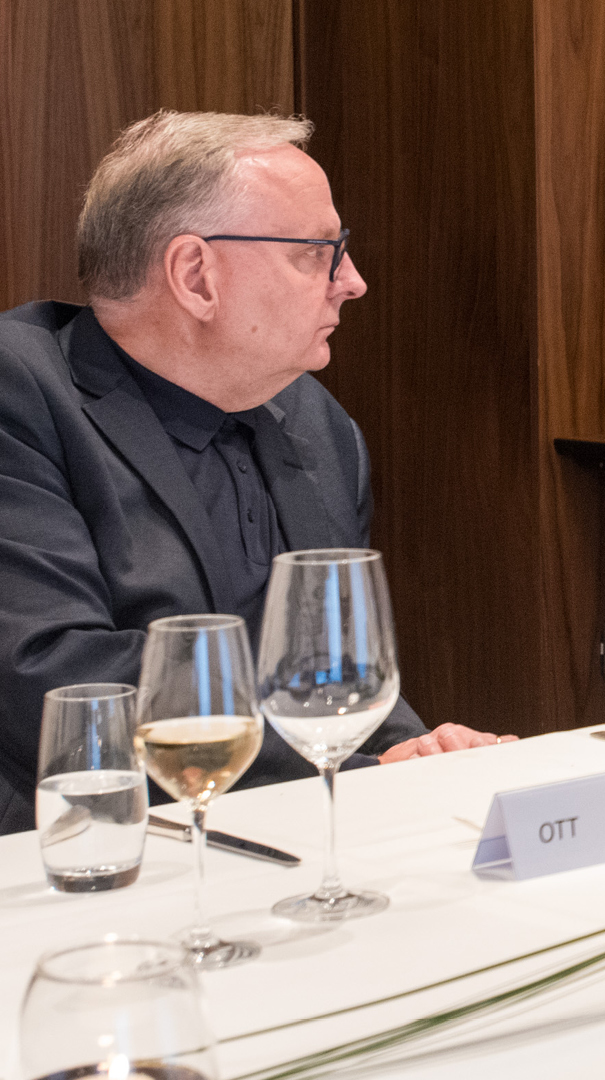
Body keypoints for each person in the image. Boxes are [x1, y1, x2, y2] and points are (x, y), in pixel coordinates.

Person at [0, 111, 511, 834]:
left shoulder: (317, 421)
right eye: (317, 253)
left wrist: (417, 750)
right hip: (85, 850)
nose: (353, 282)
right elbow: (53, 676)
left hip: (295, 830)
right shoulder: (20, 394)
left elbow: (341, 670)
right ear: (195, 275)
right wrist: (353, 769)